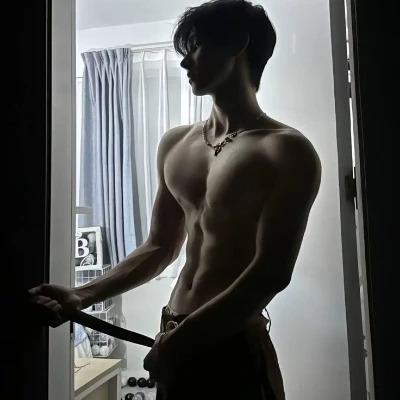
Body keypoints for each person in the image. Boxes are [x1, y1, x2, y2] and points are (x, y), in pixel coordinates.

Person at [29, 1, 321, 399]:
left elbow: (270, 273)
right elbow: (160, 247)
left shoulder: (286, 150)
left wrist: (185, 340)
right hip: (173, 329)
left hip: (230, 341)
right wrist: (82, 295)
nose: (185, 62)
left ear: (238, 45)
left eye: (196, 47)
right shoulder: (175, 143)